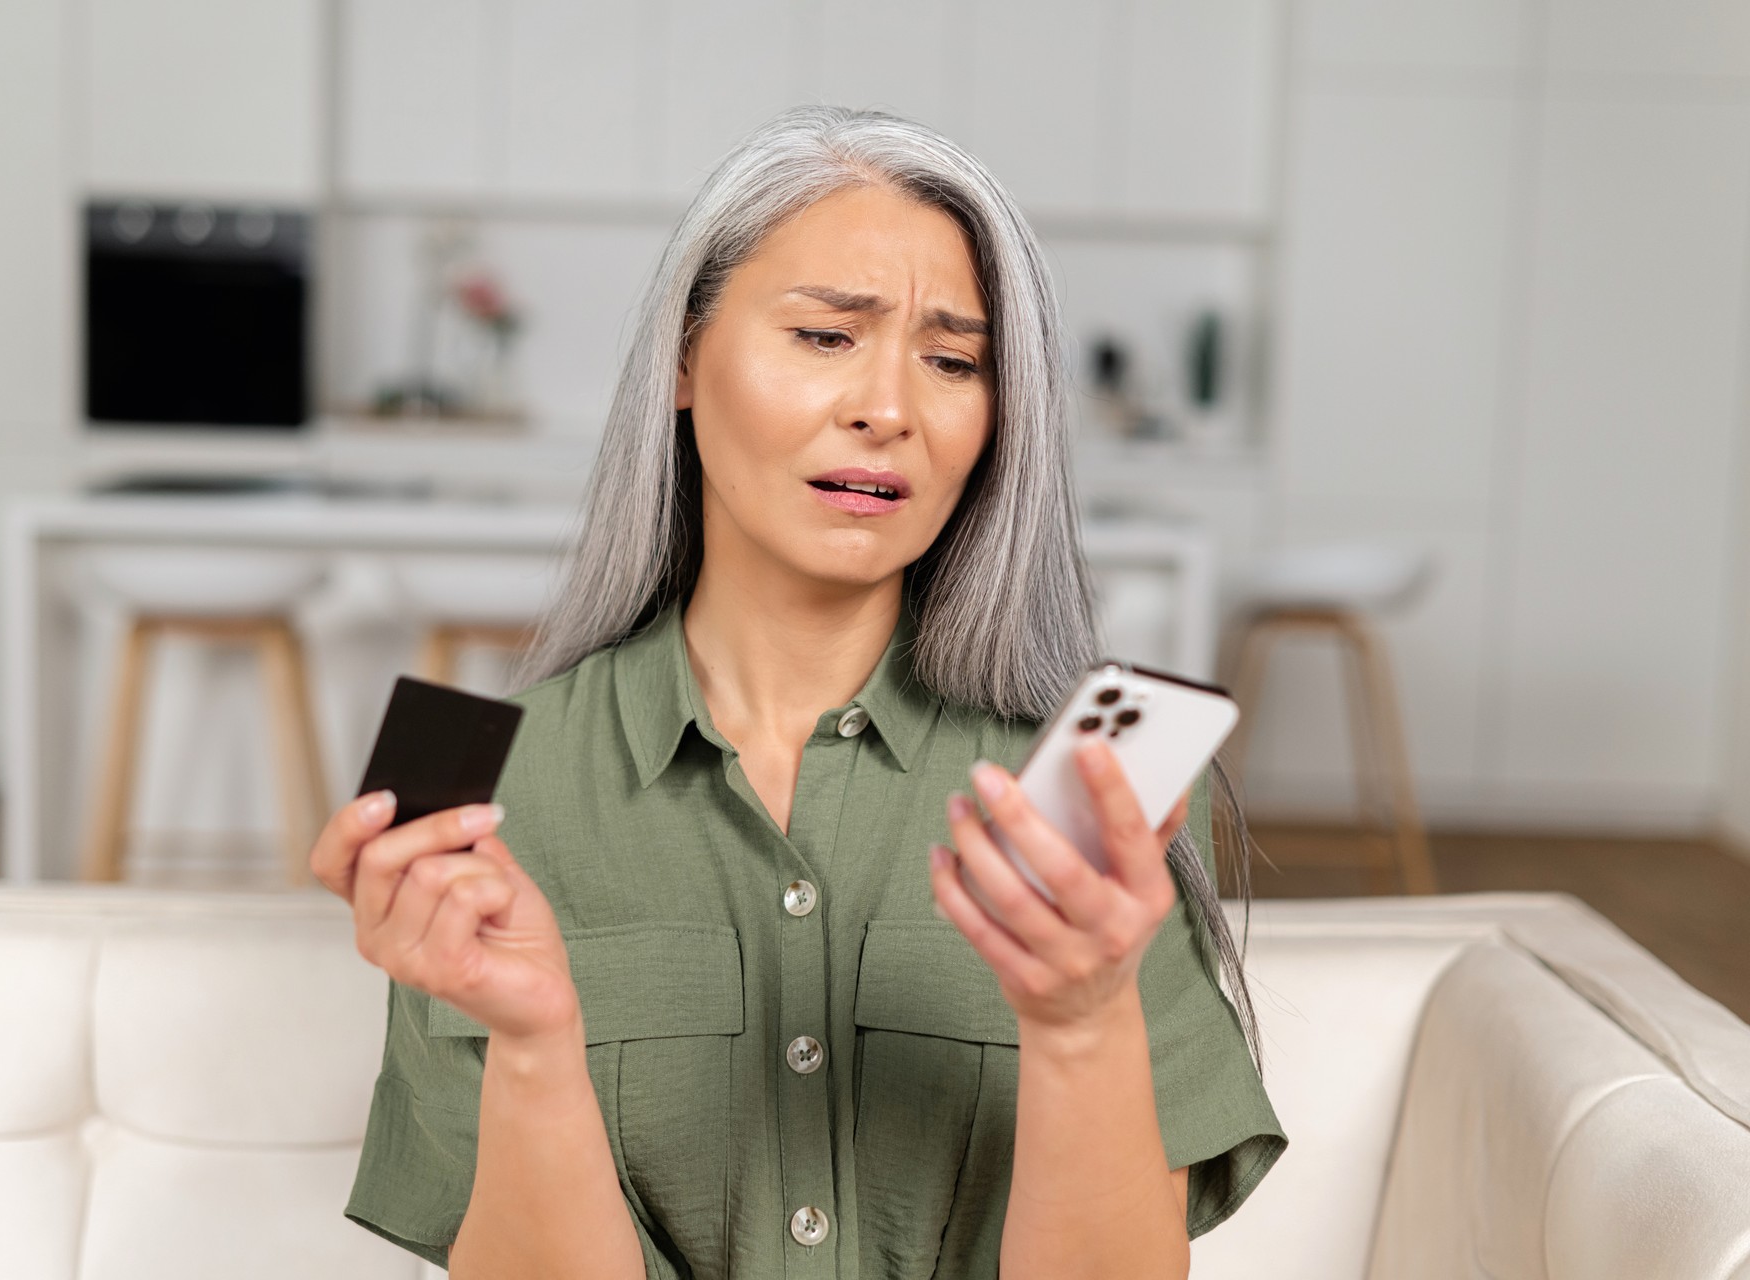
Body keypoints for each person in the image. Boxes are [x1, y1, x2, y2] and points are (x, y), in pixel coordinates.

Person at [311, 105, 1285, 1280]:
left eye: (954, 359)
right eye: (828, 336)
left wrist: (1082, 1021)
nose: (891, 407)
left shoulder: (1084, 806)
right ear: (681, 356)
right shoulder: (484, 804)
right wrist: (531, 1043)